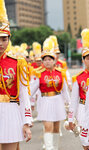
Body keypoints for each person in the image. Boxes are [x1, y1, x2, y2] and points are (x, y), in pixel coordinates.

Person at [0, 0, 32, 149]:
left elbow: (24, 94)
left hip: (11, 113)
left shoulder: (18, 63)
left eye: (4, 39)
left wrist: (27, 122)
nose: (0, 43)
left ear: (9, 40)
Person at [30, 38, 71, 150]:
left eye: (50, 59)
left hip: (57, 100)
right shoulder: (39, 74)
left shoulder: (60, 73)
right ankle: (49, 148)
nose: (47, 61)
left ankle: (55, 147)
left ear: (54, 60)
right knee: (48, 127)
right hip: (45, 101)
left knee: (56, 128)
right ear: (42, 61)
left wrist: (69, 104)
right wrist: (27, 102)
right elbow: (31, 91)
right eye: (45, 59)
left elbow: (64, 90)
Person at [68, 28, 89, 135]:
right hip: (82, 109)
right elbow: (73, 100)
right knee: (85, 138)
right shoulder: (78, 78)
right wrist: (70, 119)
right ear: (83, 60)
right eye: (88, 58)